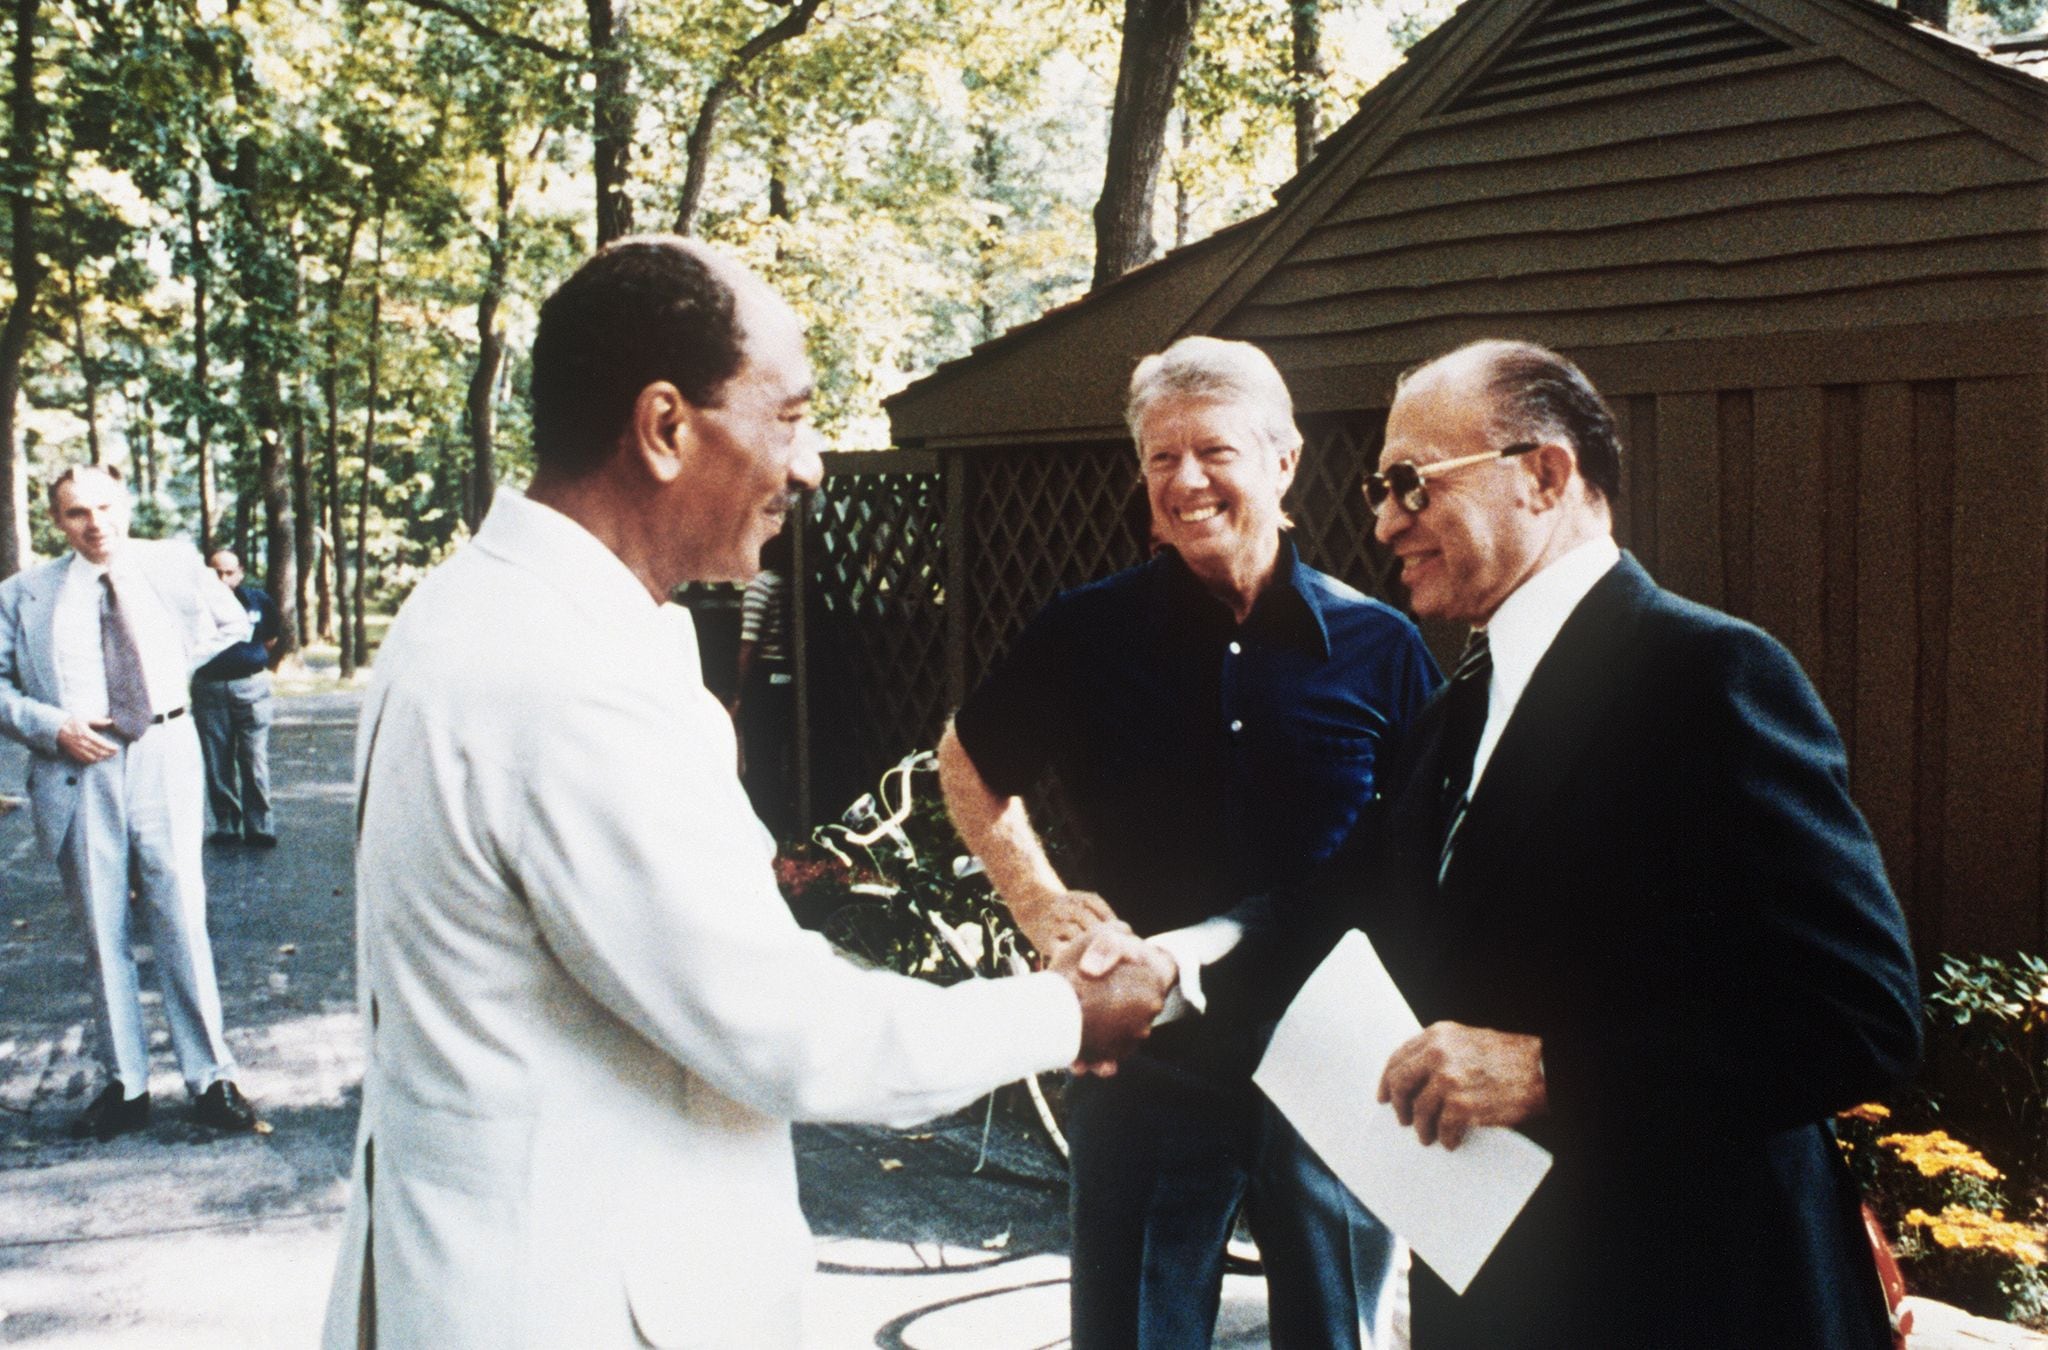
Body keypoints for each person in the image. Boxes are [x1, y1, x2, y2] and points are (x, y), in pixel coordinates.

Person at [320, 235, 1173, 1350]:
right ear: (665, 427)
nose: (810, 464)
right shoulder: (571, 675)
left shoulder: (465, 613)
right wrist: (1062, 1011)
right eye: (789, 416)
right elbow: (782, 1030)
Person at [1253, 339, 1921, 1349]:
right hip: (1502, 1299)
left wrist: (1549, 1071)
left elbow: (1861, 1016)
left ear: (1545, 474)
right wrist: (1144, 972)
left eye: (1409, 484)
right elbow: (1333, 916)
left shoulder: (1709, 676)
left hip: (1696, 1300)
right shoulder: (1449, 718)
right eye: (1381, 489)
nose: (1384, 520)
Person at [940, 336, 1440, 1350]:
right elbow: (966, 758)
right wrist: (1038, 902)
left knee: (1339, 1334)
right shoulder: (1085, 633)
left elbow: (1421, 850)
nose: (1184, 481)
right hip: (1148, 1058)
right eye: (1160, 458)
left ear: (1282, 462)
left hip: (1336, 1057)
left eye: (1212, 451)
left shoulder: (1379, 647)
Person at [0, 464, 262, 1138]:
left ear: (126, 505)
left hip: (164, 750)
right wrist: (50, 725)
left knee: (181, 915)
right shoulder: (25, 593)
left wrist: (175, 672)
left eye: (106, 507)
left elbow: (232, 623)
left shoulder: (171, 565)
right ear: (58, 522)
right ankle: (127, 1085)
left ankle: (211, 1078)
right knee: (102, 928)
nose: (97, 525)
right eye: (78, 513)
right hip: (77, 767)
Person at [192, 548, 281, 847]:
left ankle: (260, 825)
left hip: (250, 687)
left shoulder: (257, 601)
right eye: (216, 572)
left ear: (240, 572)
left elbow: (270, 639)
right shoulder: (194, 605)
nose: (223, 578)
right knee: (217, 758)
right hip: (209, 687)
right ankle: (226, 823)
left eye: (229, 572)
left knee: (253, 756)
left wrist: (247, 660)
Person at [732, 526, 797, 838]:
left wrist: (739, 689)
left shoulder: (761, 585)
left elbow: (749, 644)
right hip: (788, 675)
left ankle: (765, 820)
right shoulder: (791, 584)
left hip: (766, 676)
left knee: (761, 753)